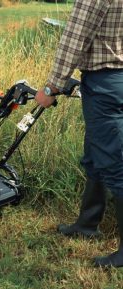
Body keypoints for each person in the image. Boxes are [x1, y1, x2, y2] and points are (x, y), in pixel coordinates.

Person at [35, 0, 123, 268]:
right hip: (116, 80)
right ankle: (87, 223)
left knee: (116, 165)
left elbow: (74, 38)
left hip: (104, 83)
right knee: (97, 154)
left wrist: (52, 87)